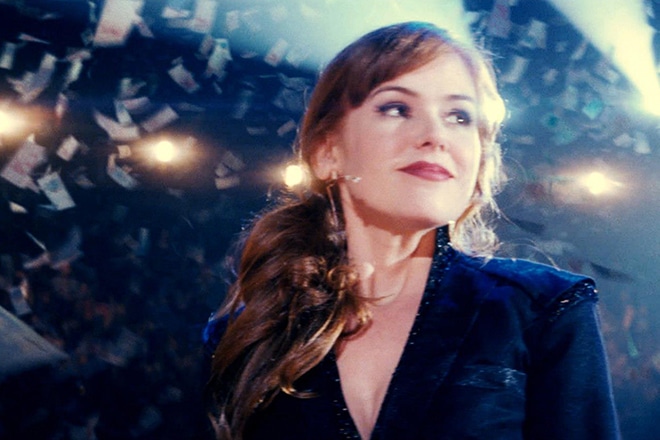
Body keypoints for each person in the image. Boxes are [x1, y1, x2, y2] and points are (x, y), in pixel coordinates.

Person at [203, 21, 620, 440]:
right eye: (397, 109)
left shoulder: (542, 310)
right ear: (328, 152)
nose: (435, 136)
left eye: (459, 117)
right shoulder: (250, 335)